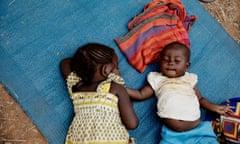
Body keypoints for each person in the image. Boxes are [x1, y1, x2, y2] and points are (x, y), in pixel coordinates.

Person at [126, 42, 233, 143]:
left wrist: (214, 107)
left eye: (177, 61)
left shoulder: (189, 80)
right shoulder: (157, 79)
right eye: (166, 60)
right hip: (172, 136)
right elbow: (140, 94)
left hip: (198, 132)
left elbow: (200, 99)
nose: (171, 63)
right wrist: (122, 89)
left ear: (187, 66)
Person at [60, 43, 139, 144]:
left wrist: (83, 65)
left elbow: (65, 63)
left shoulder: (77, 87)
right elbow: (132, 124)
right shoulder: (115, 88)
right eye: (115, 67)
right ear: (105, 70)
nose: (117, 71)